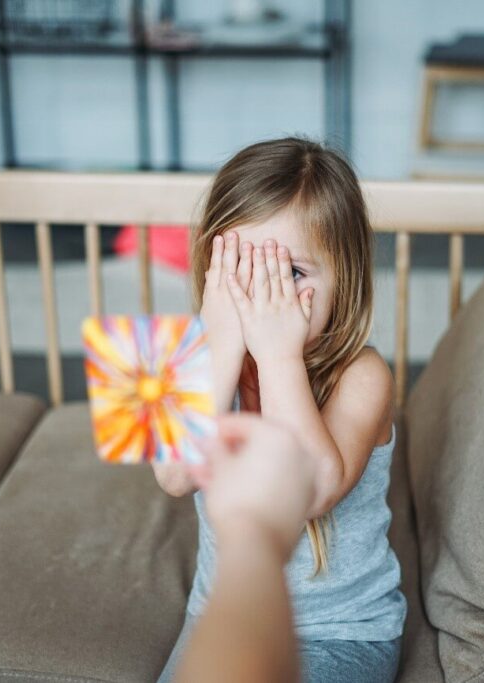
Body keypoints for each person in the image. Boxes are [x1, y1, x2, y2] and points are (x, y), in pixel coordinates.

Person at [154, 136, 406, 682]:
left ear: (347, 281)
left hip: (341, 632)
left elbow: (313, 491)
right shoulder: (184, 352)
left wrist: (277, 354)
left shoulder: (362, 374)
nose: (260, 295)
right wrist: (219, 347)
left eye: (291, 274)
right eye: (239, 267)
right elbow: (174, 476)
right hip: (221, 615)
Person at [177, 413, 317, 683]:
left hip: (336, 629)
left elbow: (317, 485)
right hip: (216, 609)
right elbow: (176, 479)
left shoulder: (364, 376)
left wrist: (248, 524)